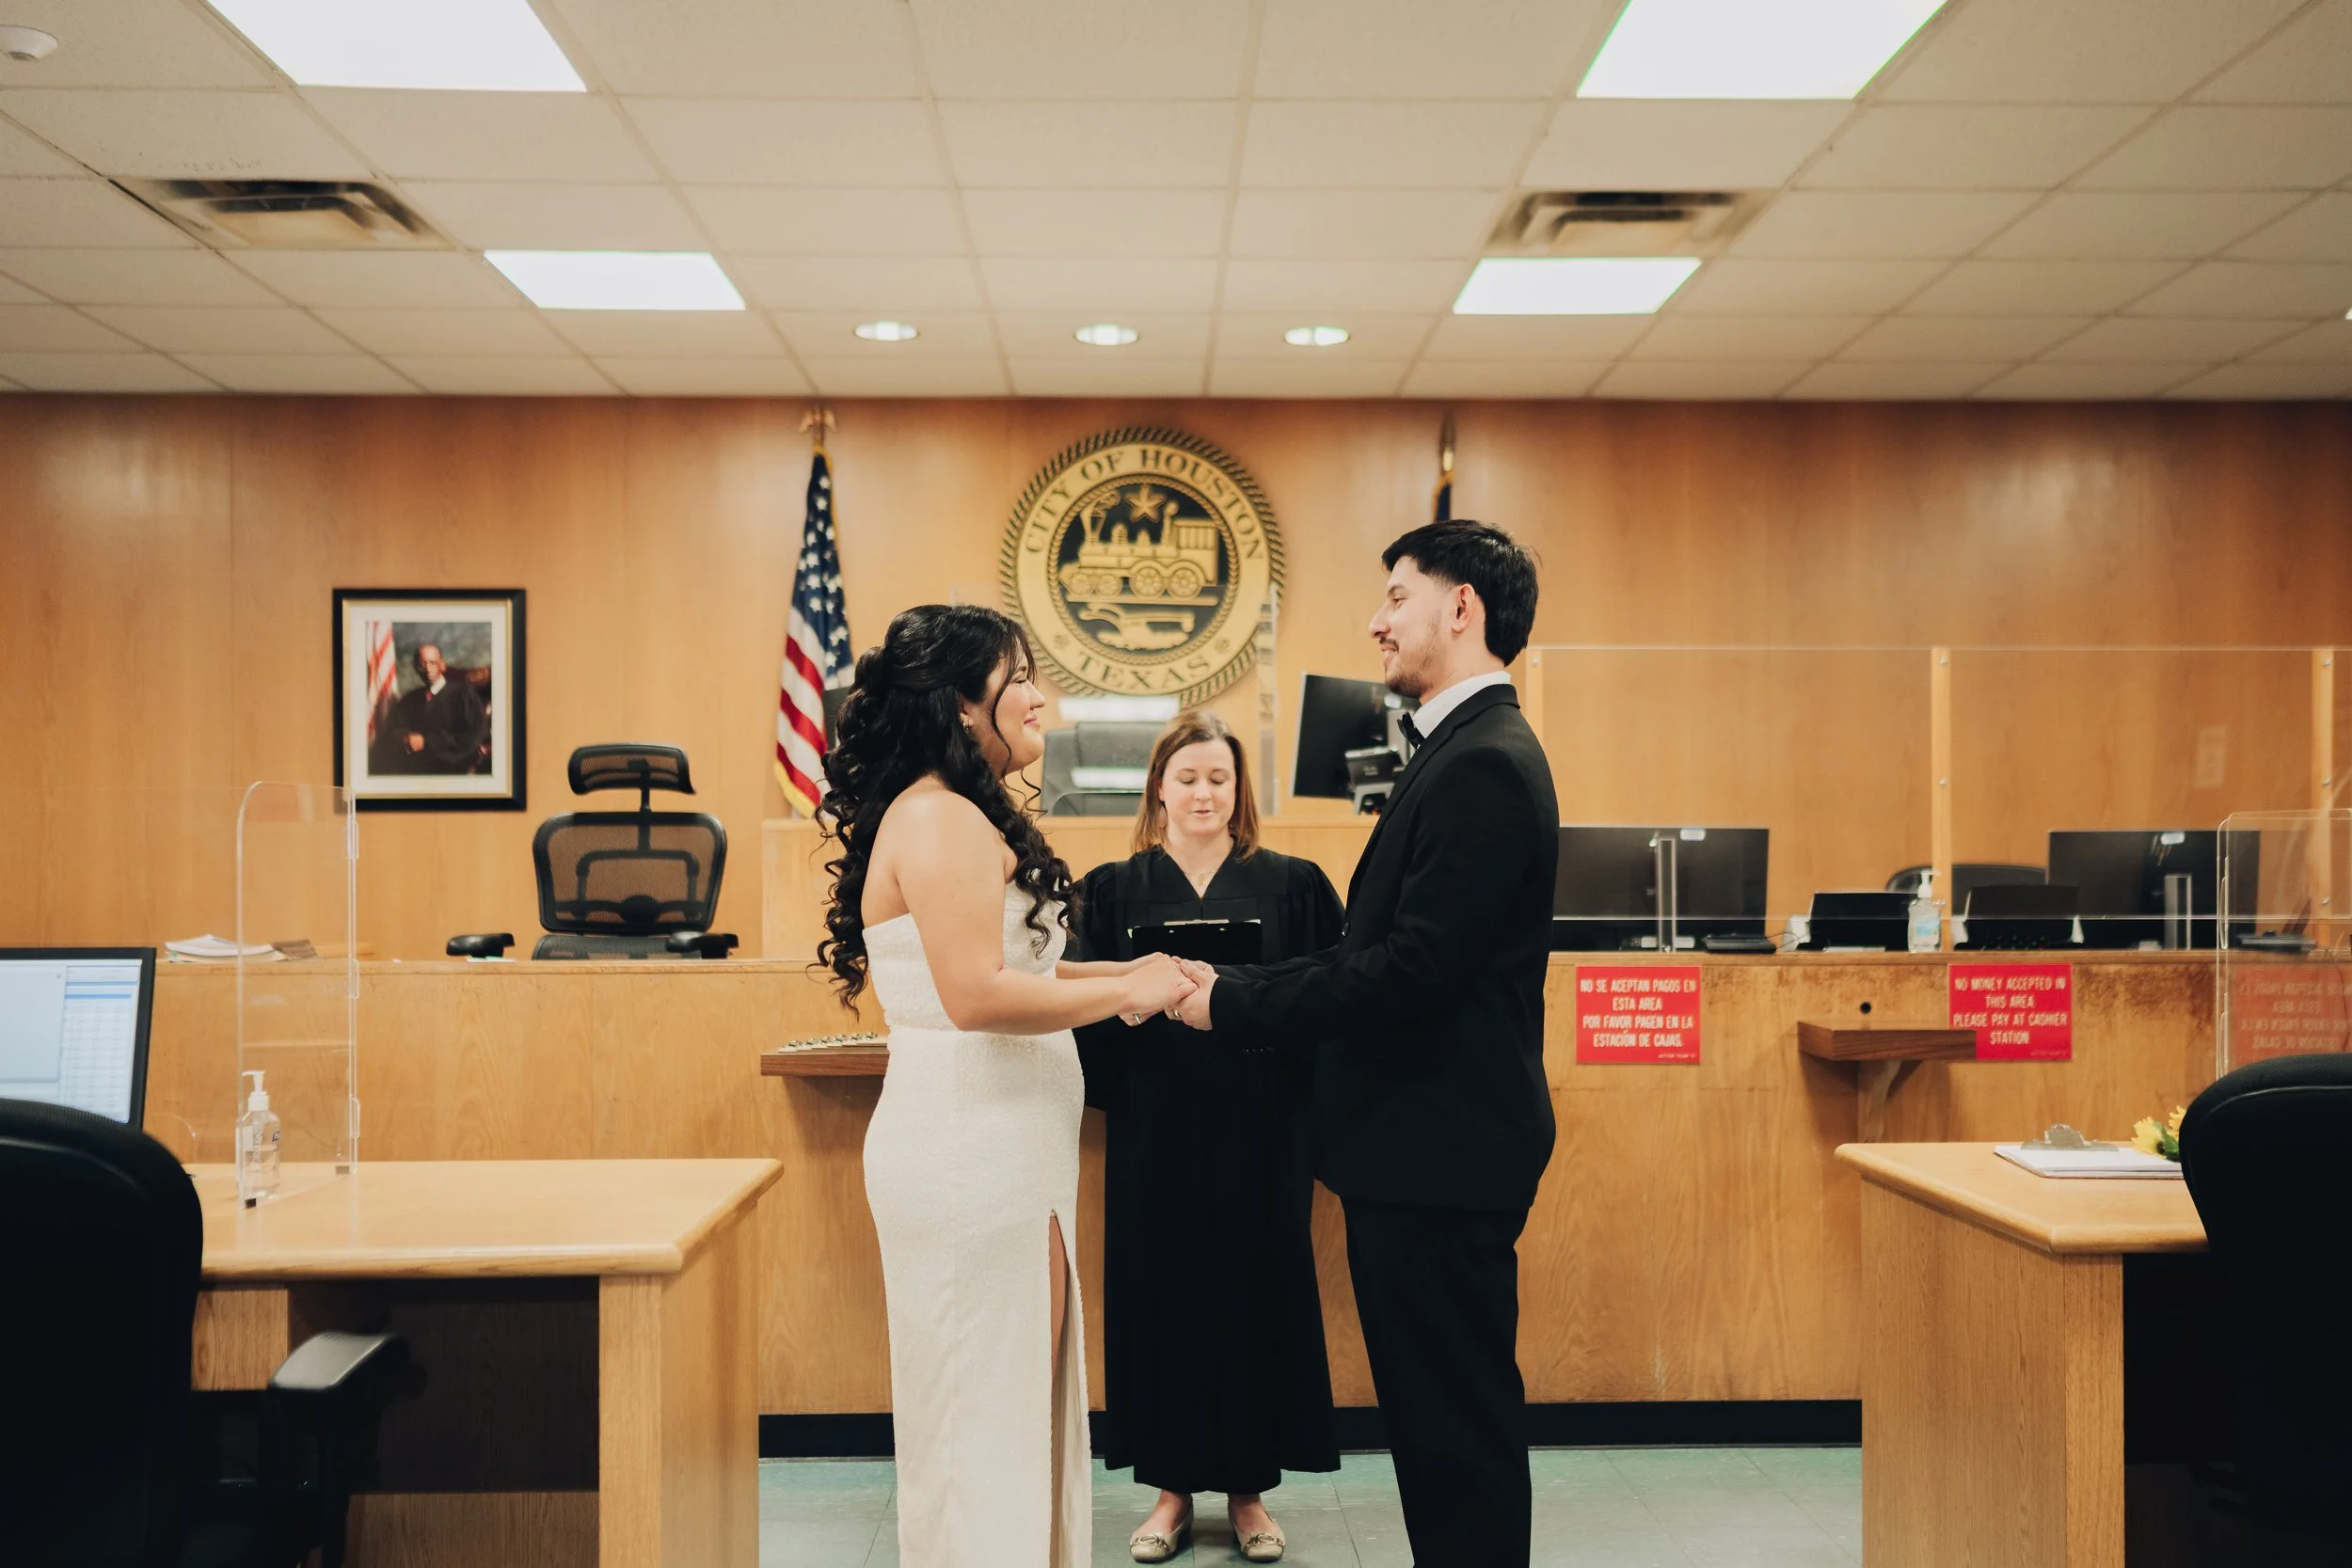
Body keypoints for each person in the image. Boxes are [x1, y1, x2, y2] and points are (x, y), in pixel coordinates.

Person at [1174, 521, 1558, 1568]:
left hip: (1441, 1153)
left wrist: (1232, 1004)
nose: (1377, 620)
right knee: (1438, 1434)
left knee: (1456, 1434)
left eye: (1397, 594)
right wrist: (1244, 987)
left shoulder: (1482, 762)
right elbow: (1371, 950)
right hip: (1421, 1154)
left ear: (1460, 606)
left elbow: (1407, 971)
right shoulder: (1457, 749)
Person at [818, 604, 1196, 1568]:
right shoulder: (938, 816)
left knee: (1021, 1400)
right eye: (1019, 676)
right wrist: (1124, 987)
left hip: (1008, 1155)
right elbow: (975, 994)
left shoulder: (956, 807)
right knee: (979, 1417)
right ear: (960, 705)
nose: (1040, 696)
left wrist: (1128, 974)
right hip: (964, 1154)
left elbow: (1013, 967)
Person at [1072, 711, 1344, 1564]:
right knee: (1164, 1296)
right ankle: (1169, 1492)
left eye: (1218, 778)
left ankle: (1250, 1492)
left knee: (1257, 1293)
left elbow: (1329, 997)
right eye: (1187, 777)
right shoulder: (1110, 889)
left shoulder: (1295, 884)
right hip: (1157, 1129)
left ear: (1239, 790)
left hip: (1261, 1127)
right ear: (1159, 786)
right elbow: (1078, 1009)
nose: (1202, 792)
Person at [373, 642, 488, 775]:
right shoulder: (411, 699)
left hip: (454, 769)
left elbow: (474, 734)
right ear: (416, 668)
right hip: (417, 770)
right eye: (422, 664)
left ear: (442, 665)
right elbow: (394, 727)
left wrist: (427, 741)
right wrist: (406, 737)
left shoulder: (463, 693)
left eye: (432, 663)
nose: (428, 669)